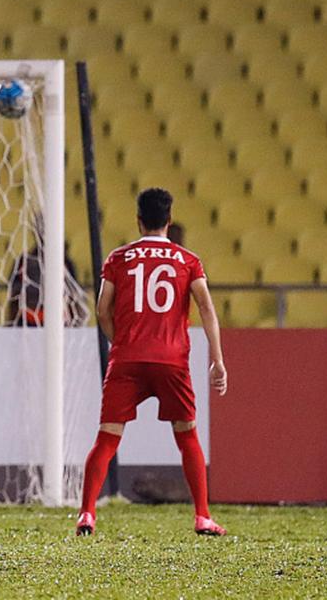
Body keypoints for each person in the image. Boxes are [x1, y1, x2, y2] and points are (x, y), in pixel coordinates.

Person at [76, 188, 228, 537]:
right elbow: (206, 308)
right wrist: (217, 359)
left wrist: (122, 344)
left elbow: (102, 310)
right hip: (171, 360)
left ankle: (86, 514)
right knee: (187, 436)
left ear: (138, 220)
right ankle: (202, 516)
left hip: (127, 359)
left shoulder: (119, 258)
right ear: (169, 220)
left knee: (107, 439)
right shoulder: (188, 261)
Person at [7, 240, 85, 327]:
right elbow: (14, 296)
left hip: (59, 319)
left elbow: (74, 296)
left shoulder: (65, 264)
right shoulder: (23, 262)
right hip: (27, 318)